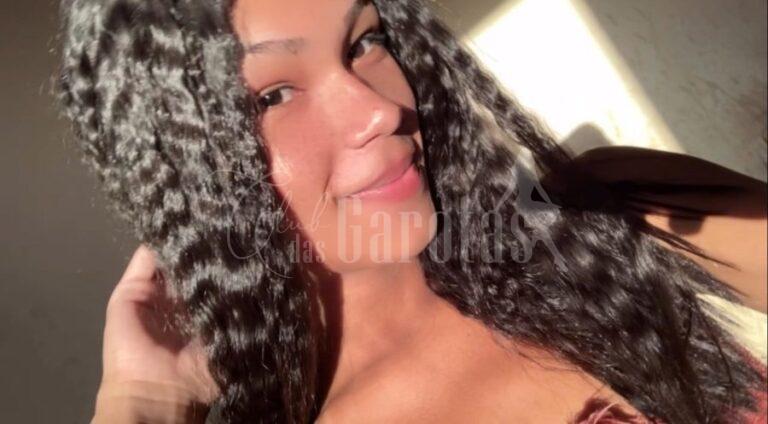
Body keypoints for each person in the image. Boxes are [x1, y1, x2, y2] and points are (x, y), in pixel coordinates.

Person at [56, 0, 767, 422]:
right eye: (270, 96)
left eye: (364, 43)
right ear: (183, 167)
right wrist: (142, 402)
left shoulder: (614, 216)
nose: (380, 110)